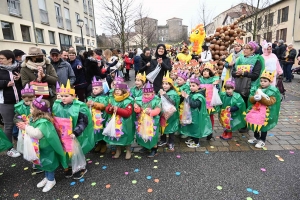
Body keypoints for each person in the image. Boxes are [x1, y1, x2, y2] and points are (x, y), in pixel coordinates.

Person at [17, 96, 67, 192]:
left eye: (31, 108)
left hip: (47, 148)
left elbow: (37, 134)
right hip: (41, 147)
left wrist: (26, 128)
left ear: (37, 111)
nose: (29, 109)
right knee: (43, 163)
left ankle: (51, 180)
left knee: (49, 163)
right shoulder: (35, 119)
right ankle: (47, 177)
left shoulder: (44, 122)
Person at [52, 80, 94, 179]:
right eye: (62, 96)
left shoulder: (80, 106)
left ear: (74, 96)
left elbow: (83, 121)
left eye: (66, 96)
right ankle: (70, 166)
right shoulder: (57, 105)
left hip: (75, 134)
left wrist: (76, 132)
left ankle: (81, 168)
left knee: (77, 151)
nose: (63, 98)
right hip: (63, 134)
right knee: (66, 151)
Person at [232, 41, 265, 133]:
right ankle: (239, 121)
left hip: (250, 86)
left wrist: (244, 73)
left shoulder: (257, 60)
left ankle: (245, 124)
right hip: (239, 85)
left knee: (247, 105)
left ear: (253, 50)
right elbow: (233, 72)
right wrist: (236, 73)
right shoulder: (240, 59)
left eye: (247, 48)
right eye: (244, 48)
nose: (245, 50)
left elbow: (256, 75)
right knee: (239, 104)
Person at [246, 70, 281, 148]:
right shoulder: (256, 88)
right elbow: (250, 99)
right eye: (261, 81)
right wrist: (254, 98)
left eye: (265, 81)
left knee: (264, 126)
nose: (262, 83)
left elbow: (271, 101)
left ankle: (262, 140)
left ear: (270, 82)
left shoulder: (272, 90)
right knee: (254, 122)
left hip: (266, 112)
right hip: (256, 110)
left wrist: (261, 98)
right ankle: (256, 137)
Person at [0, 50, 22, 157]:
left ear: (10, 59)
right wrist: (5, 83)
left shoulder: (18, 68)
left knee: (22, 123)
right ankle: (9, 148)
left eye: (2, 58)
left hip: (20, 101)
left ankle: (22, 145)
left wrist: (19, 78)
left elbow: (24, 84)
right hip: (5, 102)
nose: (0, 60)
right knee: (8, 125)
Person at [104, 81, 134, 159]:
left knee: (126, 135)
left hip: (125, 122)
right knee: (116, 135)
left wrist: (118, 110)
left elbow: (128, 113)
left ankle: (128, 150)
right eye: (116, 89)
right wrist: (109, 109)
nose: (117, 91)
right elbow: (107, 109)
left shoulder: (128, 100)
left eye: (119, 90)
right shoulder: (112, 99)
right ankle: (118, 149)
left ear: (123, 91)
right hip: (115, 122)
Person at [180, 75, 212, 148]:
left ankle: (196, 142)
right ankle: (192, 139)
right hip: (191, 115)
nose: (191, 87)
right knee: (191, 127)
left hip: (197, 116)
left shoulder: (199, 96)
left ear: (198, 86)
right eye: (190, 85)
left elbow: (194, 105)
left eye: (193, 86)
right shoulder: (192, 93)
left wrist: (187, 97)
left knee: (196, 129)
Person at [134, 82, 161, 157]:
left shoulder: (156, 100)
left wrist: (151, 112)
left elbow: (158, 109)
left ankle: (154, 149)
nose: (146, 96)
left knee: (152, 135)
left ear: (152, 93)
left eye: (148, 94)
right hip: (142, 120)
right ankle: (145, 146)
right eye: (144, 94)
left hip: (152, 122)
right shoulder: (140, 99)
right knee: (142, 133)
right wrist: (137, 108)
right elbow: (138, 110)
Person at [158, 71, 180, 151]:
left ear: (171, 85)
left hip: (172, 115)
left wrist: (164, 95)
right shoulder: (160, 91)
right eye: (163, 84)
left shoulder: (173, 93)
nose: (164, 85)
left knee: (171, 129)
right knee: (162, 127)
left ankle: (171, 142)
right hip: (163, 113)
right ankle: (163, 140)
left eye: (167, 84)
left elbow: (174, 102)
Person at [86, 77, 108, 153]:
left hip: (101, 118)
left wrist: (94, 104)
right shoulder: (90, 97)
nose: (94, 90)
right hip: (93, 118)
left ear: (101, 89)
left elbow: (103, 106)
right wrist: (87, 104)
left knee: (101, 130)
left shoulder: (104, 97)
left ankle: (103, 144)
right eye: (93, 89)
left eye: (96, 88)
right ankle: (98, 144)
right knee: (96, 131)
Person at [199, 61, 220, 139]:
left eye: (207, 71)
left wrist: (216, 85)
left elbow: (218, 90)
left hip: (210, 103)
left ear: (210, 72)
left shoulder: (213, 80)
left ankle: (210, 131)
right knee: (201, 116)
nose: (205, 72)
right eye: (204, 70)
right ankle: (202, 130)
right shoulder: (199, 79)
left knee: (210, 116)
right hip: (201, 102)